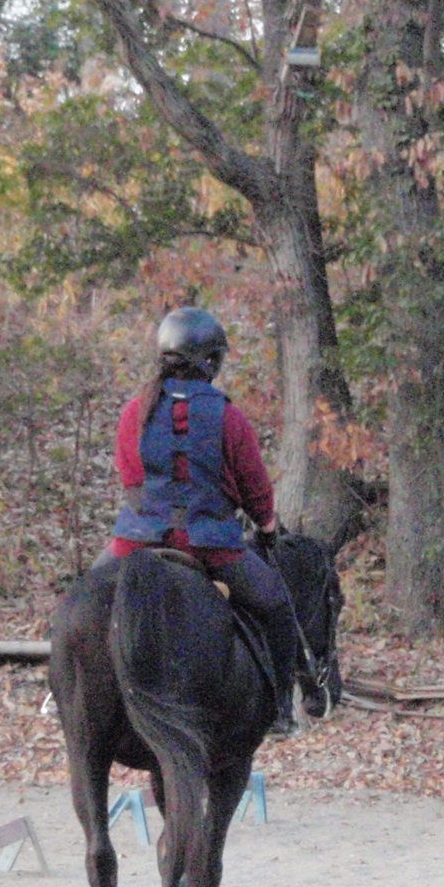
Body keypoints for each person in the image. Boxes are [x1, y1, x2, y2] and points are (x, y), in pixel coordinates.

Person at [105, 306, 303, 734]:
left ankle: (59, 693)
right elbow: (254, 487)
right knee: (277, 607)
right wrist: (267, 525)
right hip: (209, 545)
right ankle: (282, 710)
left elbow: (131, 480)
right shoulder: (228, 417)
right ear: (211, 361)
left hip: (137, 541)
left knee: (81, 599)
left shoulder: (135, 411)